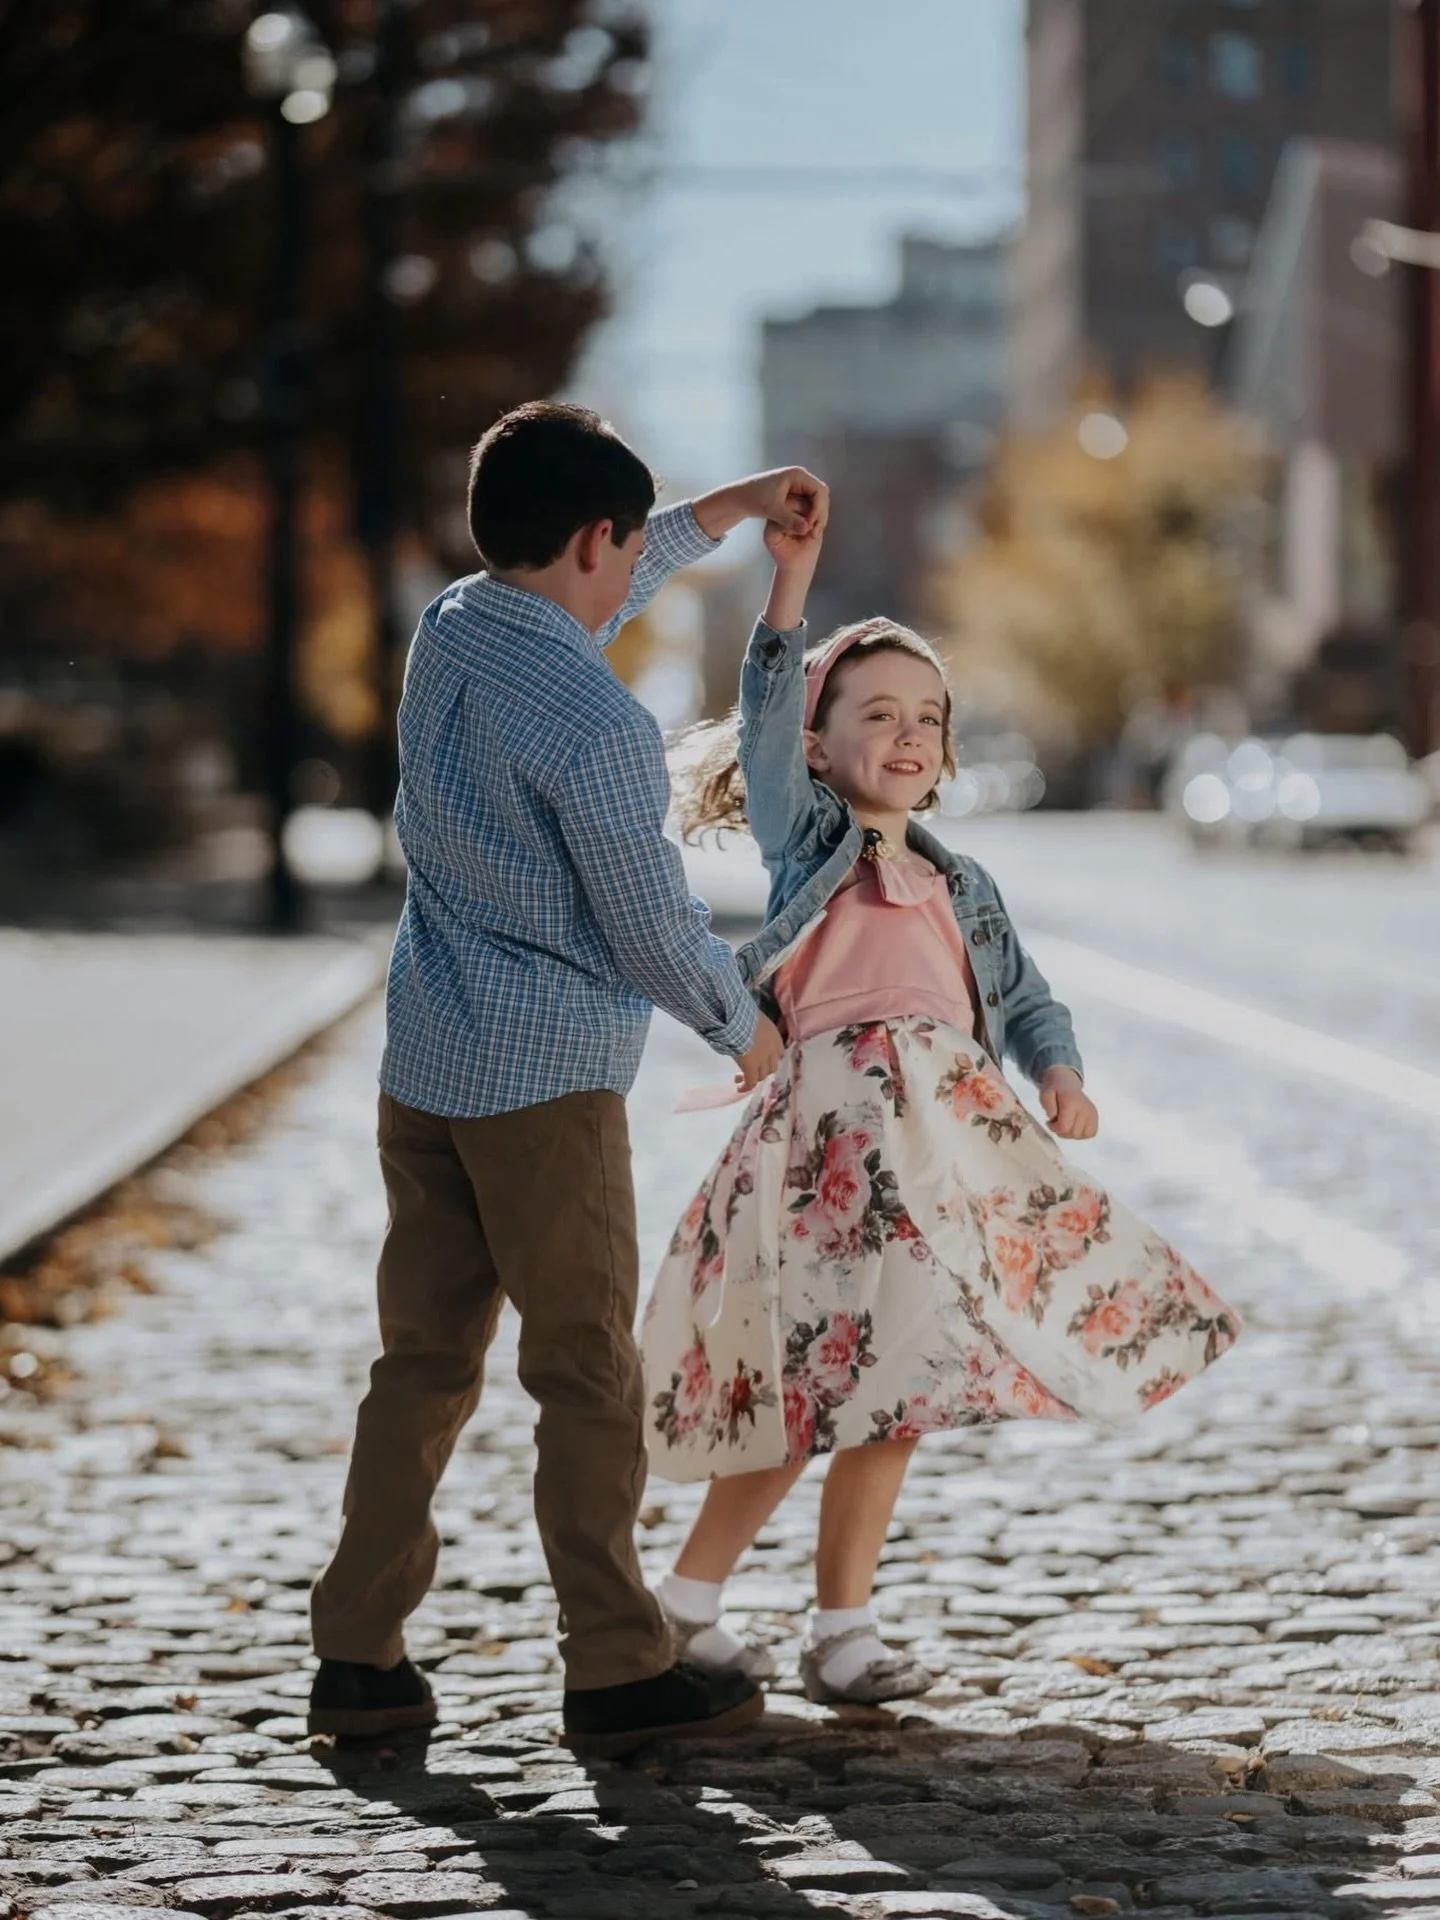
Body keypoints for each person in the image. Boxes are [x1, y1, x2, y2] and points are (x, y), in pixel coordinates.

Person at [642, 509, 1241, 1707]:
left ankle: (843, 1631)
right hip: (827, 1162)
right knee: (808, 1386)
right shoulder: (809, 838)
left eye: (928, 718)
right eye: (877, 714)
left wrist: (1057, 1070)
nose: (908, 736)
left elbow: (1024, 999)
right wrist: (792, 581)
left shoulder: (964, 884)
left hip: (940, 1162)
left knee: (894, 1391)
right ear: (816, 748)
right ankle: (683, 1606)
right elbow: (765, 707)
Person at [308, 400, 825, 1760]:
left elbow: (591, 577)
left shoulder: (455, 627)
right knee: (589, 1372)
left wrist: (725, 510)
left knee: (419, 1363)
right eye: (625, 543)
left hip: (426, 1062)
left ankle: (357, 1660)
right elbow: (650, 917)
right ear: (594, 536)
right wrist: (743, 1025)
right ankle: (614, 1661)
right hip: (544, 1084)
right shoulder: (597, 719)